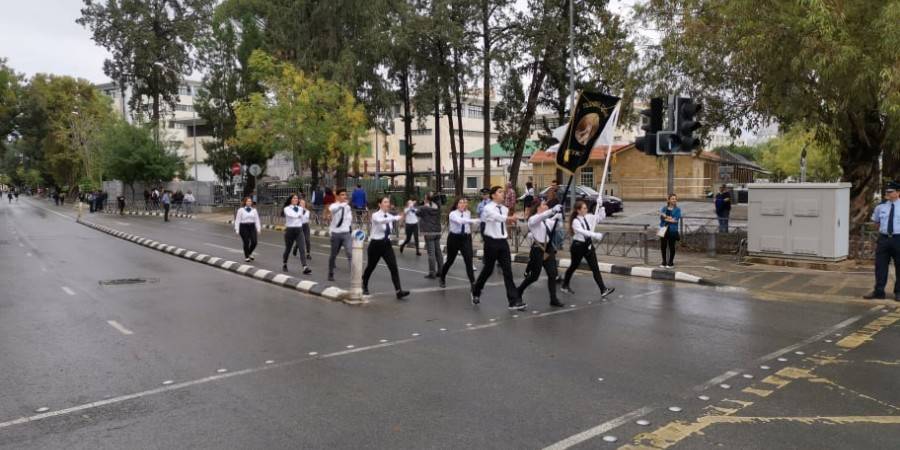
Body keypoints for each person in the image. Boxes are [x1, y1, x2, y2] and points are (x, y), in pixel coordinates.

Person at [471, 186, 525, 310]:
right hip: (491, 242)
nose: (503, 194)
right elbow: (496, 217)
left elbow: (503, 221)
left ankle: (513, 301)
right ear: (493, 195)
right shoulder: (488, 208)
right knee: (488, 270)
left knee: (508, 271)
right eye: (500, 192)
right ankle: (476, 290)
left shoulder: (505, 209)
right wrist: (509, 218)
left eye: (503, 192)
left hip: (502, 241)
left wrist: (512, 220)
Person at [561, 200, 615, 299]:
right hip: (578, 246)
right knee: (573, 266)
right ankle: (565, 284)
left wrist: (601, 206)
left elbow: (600, 217)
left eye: (586, 208)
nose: (586, 209)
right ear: (578, 210)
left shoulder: (589, 217)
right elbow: (583, 232)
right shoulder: (575, 221)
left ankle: (603, 289)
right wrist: (594, 235)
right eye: (584, 208)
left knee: (595, 267)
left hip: (588, 246)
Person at [518, 199, 565, 307]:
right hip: (537, 249)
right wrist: (552, 210)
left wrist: (559, 218)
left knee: (552, 274)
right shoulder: (533, 219)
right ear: (538, 207)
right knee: (534, 276)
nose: (546, 205)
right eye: (544, 204)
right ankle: (519, 290)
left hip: (548, 248)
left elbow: (558, 227)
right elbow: (540, 217)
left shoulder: (547, 221)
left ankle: (553, 299)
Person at [362, 197, 410, 299]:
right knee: (371, 267)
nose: (387, 204)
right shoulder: (375, 215)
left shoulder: (389, 216)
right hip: (375, 244)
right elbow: (381, 221)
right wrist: (395, 218)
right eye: (385, 202)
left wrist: (402, 216)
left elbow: (394, 224)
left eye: (388, 202)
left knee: (393, 267)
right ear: (379, 204)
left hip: (386, 244)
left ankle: (398, 291)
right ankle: (364, 284)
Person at [864, 181, 900, 301]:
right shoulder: (881, 207)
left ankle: (898, 292)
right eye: (887, 191)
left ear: (898, 192)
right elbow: (876, 223)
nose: (888, 193)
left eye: (891, 191)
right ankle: (879, 291)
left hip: (898, 239)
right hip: (884, 239)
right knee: (880, 266)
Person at [440, 197, 480, 288]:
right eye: (460, 203)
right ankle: (442, 277)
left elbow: (467, 225)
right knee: (450, 260)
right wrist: (473, 220)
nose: (463, 204)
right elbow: (460, 221)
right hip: (454, 238)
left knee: (468, 260)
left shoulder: (468, 213)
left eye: (464, 202)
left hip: (466, 238)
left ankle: (473, 284)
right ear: (456, 204)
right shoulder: (452, 214)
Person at [282, 193, 311, 274]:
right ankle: (285, 263)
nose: (295, 200)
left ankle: (305, 267)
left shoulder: (300, 208)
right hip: (290, 230)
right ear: (291, 200)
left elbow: (302, 219)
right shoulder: (287, 208)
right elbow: (291, 215)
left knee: (302, 248)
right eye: (294, 198)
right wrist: (298, 214)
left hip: (299, 230)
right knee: (288, 249)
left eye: (296, 198)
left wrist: (300, 214)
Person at [327, 188, 352, 281]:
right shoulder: (333, 206)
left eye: (345, 195)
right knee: (333, 254)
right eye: (342, 195)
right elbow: (334, 211)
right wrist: (343, 204)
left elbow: (349, 218)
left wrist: (348, 228)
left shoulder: (348, 207)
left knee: (350, 253)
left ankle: (354, 275)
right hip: (336, 233)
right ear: (337, 196)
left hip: (346, 233)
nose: (344, 196)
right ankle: (330, 273)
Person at [418, 193, 443, 279]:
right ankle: (441, 271)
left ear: (427, 199)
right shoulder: (438, 206)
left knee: (431, 253)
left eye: (425, 198)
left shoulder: (425, 207)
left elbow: (417, 212)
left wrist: (423, 204)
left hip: (429, 233)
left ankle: (432, 273)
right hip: (437, 232)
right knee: (438, 252)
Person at [234, 197, 261, 262]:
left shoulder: (254, 210)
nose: (249, 202)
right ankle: (246, 256)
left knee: (254, 242)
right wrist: (237, 229)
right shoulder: (241, 210)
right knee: (246, 242)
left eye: (250, 201)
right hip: (243, 227)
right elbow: (237, 220)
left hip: (252, 226)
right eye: (248, 201)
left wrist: (258, 228)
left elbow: (257, 220)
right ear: (245, 202)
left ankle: (249, 253)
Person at [659, 193, 682, 269]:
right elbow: (661, 218)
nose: (674, 200)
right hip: (663, 229)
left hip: (672, 230)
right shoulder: (664, 208)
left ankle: (671, 263)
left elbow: (675, 220)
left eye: (675, 199)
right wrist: (669, 218)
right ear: (668, 200)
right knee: (663, 246)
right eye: (672, 199)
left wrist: (666, 217)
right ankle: (664, 262)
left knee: (672, 246)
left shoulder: (678, 209)